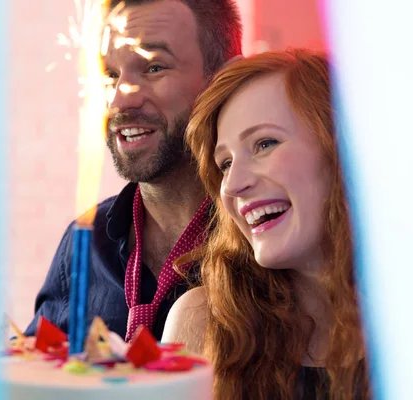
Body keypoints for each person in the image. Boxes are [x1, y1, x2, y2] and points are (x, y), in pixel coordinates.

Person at [25, 0, 242, 341]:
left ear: (225, 80)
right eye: (110, 75)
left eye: (154, 67)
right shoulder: (84, 243)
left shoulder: (265, 243)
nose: (120, 101)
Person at [162, 49, 370, 399]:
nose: (232, 184)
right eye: (225, 163)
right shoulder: (200, 324)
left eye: (264, 143)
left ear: (344, 150)